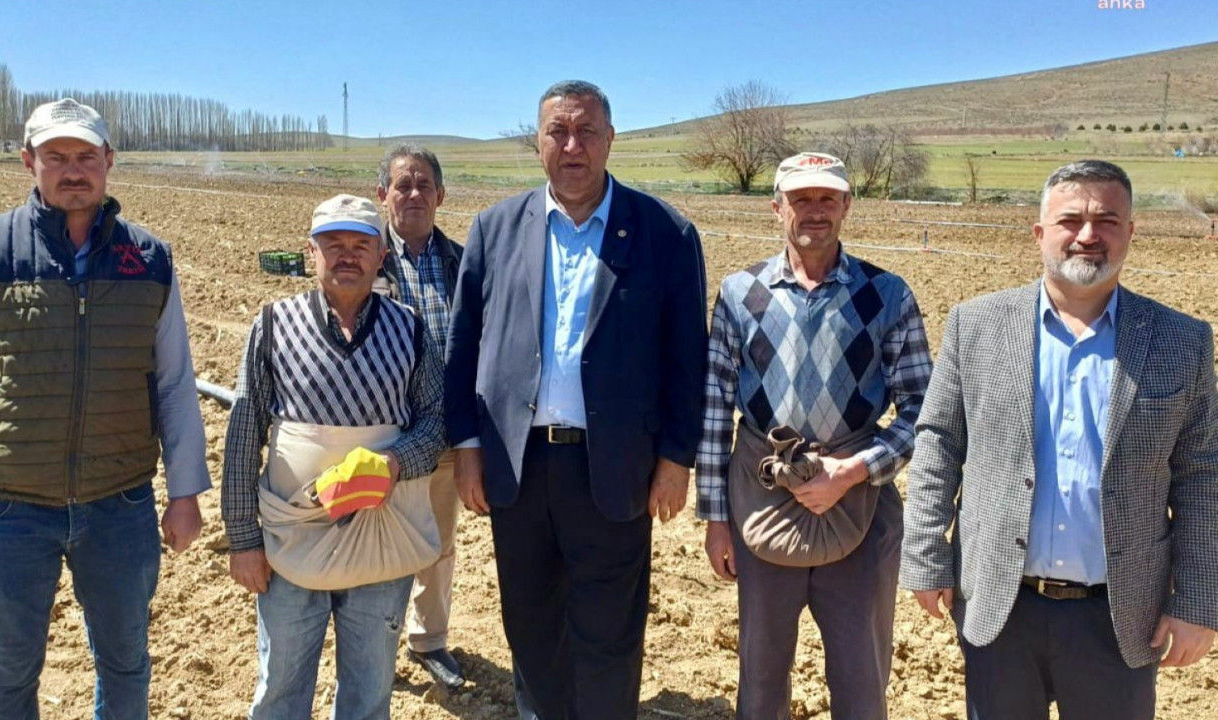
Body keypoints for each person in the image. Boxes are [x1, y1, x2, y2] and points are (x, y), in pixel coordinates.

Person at [900, 160, 1218, 720]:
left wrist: (1196, 601)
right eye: (1071, 219)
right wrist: (927, 557)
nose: (1089, 235)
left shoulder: (1181, 340)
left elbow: (1202, 477)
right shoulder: (976, 325)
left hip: (1121, 615)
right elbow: (938, 443)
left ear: (1131, 232)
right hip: (1000, 604)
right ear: (1040, 233)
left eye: (1108, 220)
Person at [443, 80, 708, 719]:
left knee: (609, 633)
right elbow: (463, 347)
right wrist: (468, 448)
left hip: (615, 466)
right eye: (558, 132)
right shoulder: (495, 228)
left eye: (586, 132)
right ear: (537, 143)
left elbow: (686, 359)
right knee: (530, 624)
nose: (572, 146)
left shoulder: (664, 233)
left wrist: (676, 459)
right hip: (518, 466)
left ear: (610, 140)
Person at [0, 97, 209, 718]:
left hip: (120, 503)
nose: (73, 170)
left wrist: (186, 492)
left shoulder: (150, 260)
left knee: (126, 664)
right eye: (56, 157)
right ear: (28, 161)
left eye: (86, 155)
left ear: (109, 162)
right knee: (5, 676)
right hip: (7, 508)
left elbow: (173, 383)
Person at [696, 152, 932, 719]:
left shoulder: (888, 295)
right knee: (760, 672)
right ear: (776, 206)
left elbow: (925, 411)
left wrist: (851, 472)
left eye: (828, 198)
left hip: (861, 508)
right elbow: (713, 408)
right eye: (800, 199)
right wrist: (715, 519)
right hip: (762, 504)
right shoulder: (739, 293)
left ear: (848, 205)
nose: (815, 211)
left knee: (860, 675)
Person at [222, 193, 444, 719]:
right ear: (311, 251)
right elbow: (243, 431)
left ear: (381, 255)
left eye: (361, 244)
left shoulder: (410, 329)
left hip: (381, 538)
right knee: (280, 690)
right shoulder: (273, 325)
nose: (348, 255)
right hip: (291, 541)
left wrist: (392, 464)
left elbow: (436, 421)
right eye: (333, 244)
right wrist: (243, 538)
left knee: (369, 694)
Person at [372, 143, 466, 688]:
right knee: (375, 543)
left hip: (444, 433)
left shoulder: (461, 261)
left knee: (437, 541)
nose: (413, 195)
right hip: (381, 431)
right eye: (403, 185)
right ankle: (372, 644)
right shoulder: (365, 255)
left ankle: (429, 638)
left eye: (424, 185)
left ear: (440, 196)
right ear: (382, 194)